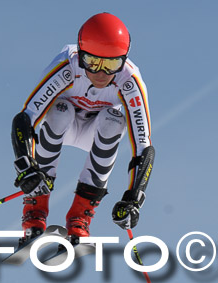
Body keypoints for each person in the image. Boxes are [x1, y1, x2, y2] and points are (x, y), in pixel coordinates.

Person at [11, 12, 155, 248]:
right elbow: (26, 118)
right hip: (60, 127)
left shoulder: (130, 80)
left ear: (123, 60)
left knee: (114, 120)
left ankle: (81, 216)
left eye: (111, 65)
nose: (101, 74)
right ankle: (35, 208)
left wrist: (133, 199)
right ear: (81, 55)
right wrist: (26, 165)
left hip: (95, 134)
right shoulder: (67, 66)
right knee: (60, 110)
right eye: (93, 62)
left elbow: (144, 146)